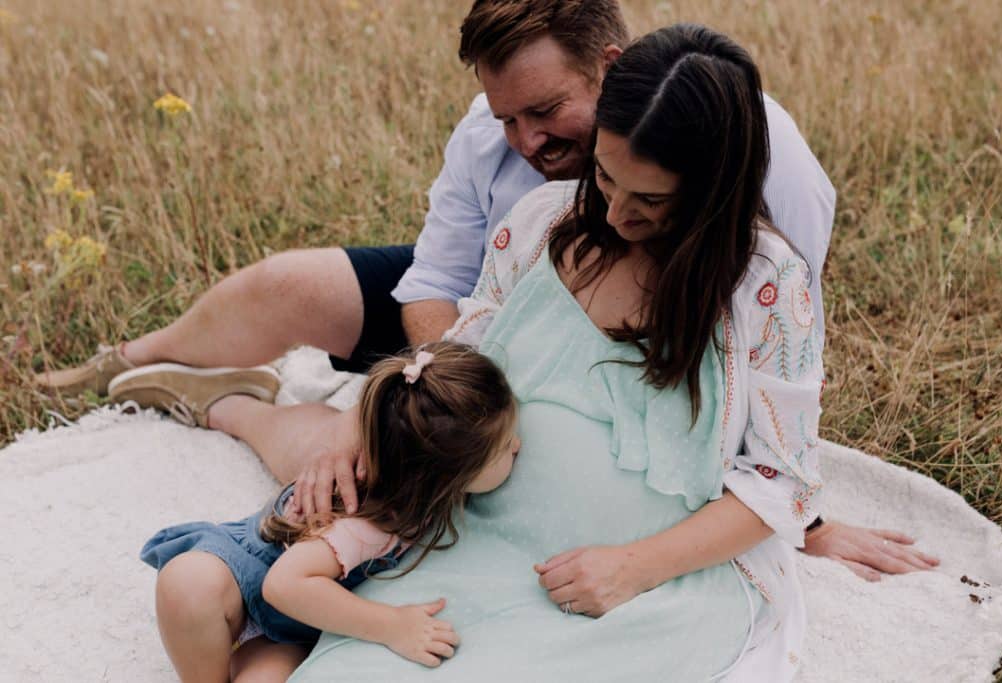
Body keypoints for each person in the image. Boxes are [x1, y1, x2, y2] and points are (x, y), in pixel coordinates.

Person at [34, 0, 935, 579]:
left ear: (614, 71)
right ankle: (154, 366)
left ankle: (244, 401)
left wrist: (801, 521)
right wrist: (416, 398)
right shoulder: (529, 186)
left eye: (545, 113)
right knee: (318, 348)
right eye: (506, 115)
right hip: (498, 316)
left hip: (625, 353)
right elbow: (441, 282)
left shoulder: (766, 197)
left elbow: (774, 375)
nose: (521, 136)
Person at [290, 23, 815, 681]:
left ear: (712, 190)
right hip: (477, 541)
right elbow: (460, 360)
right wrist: (360, 418)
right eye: (605, 174)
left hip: (650, 588)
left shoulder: (765, 286)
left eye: (651, 200)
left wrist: (634, 567)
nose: (618, 212)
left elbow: (783, 480)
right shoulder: (541, 224)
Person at [139, 343, 520, 682]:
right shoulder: (368, 522)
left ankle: (243, 658)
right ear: (443, 477)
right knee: (186, 583)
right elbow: (283, 585)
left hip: (290, 625)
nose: (518, 446)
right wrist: (391, 625)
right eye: (505, 446)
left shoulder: (406, 465)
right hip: (248, 572)